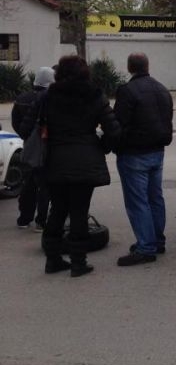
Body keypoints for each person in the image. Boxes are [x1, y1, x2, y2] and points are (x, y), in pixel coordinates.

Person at [19, 56, 120, 277]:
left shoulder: (46, 97)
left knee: (57, 210)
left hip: (53, 160)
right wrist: (101, 146)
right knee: (79, 211)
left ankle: (53, 259)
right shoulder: (95, 96)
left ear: (59, 73)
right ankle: (78, 262)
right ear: (85, 73)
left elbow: (25, 128)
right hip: (86, 160)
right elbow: (113, 131)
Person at [113, 53, 174, 266]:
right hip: (158, 151)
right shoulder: (162, 89)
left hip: (134, 153)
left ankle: (146, 246)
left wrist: (113, 145)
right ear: (148, 66)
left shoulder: (127, 91)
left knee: (138, 201)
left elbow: (118, 123)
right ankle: (156, 240)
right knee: (155, 197)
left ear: (130, 68)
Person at [12, 67, 55, 230]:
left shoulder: (22, 98)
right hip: (46, 147)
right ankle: (41, 221)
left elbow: (16, 122)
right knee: (45, 185)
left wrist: (28, 138)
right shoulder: (49, 98)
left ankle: (24, 218)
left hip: (29, 147)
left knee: (28, 183)